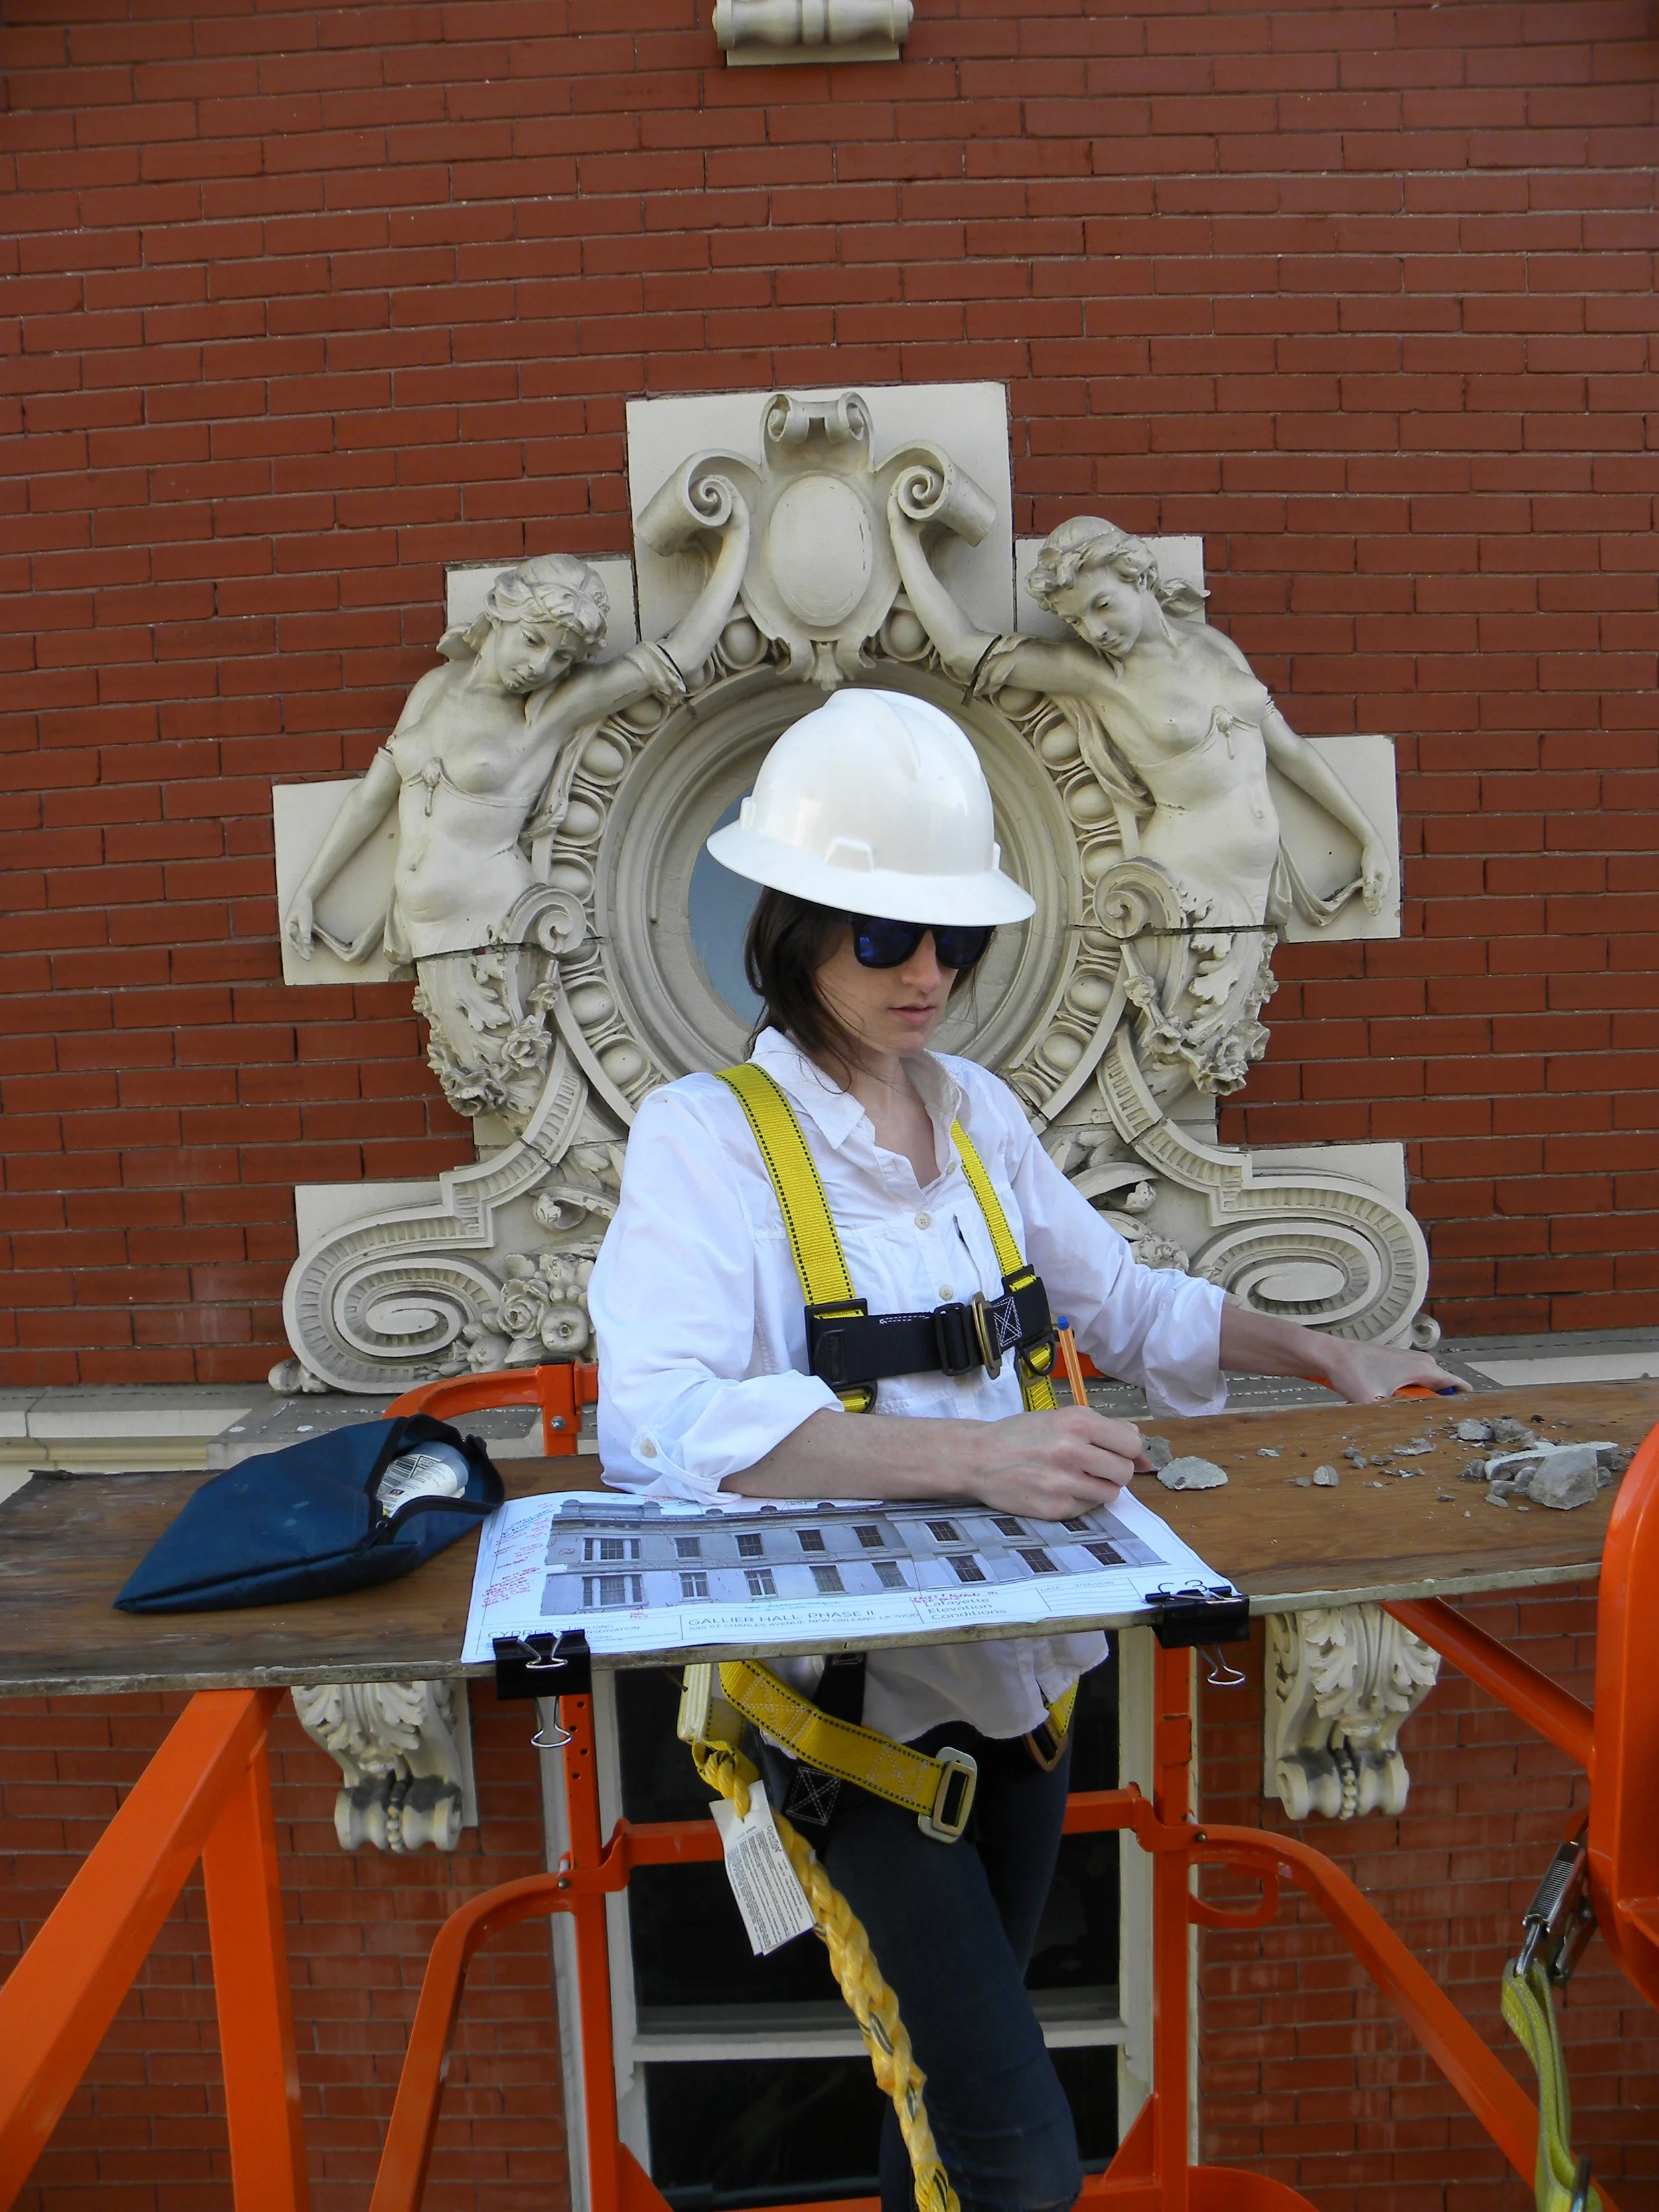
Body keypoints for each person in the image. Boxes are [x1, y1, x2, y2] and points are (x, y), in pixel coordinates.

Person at [588, 688, 1463, 2212]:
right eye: (884, 938)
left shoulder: (976, 1114)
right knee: (1013, 2153)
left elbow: (1118, 1300)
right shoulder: (705, 1138)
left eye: (957, 942)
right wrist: (974, 1461)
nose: (928, 974)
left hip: (1020, 1701)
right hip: (846, 1729)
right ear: (796, 929)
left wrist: (1323, 1353)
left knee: (936, 2102)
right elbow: (656, 1417)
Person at [888, 506, 1394, 1107]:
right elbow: (965, 648)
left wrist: (1367, 837)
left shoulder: (1214, 645)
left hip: (1251, 886)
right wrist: (905, 541)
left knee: (1191, 1070)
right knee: (1159, 1069)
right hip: (1182, 888)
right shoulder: (1100, 677)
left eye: (1102, 605)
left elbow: (1289, 750)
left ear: (1139, 577)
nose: (1095, 630)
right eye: (1076, 620)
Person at [285, 526, 749, 968]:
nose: (541, 665)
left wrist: (736, 539)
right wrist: (310, 890)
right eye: (532, 640)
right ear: (500, 615)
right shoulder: (434, 687)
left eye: (562, 656)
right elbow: (371, 797)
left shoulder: (549, 711)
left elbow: (681, 656)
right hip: (423, 930)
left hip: (497, 921)